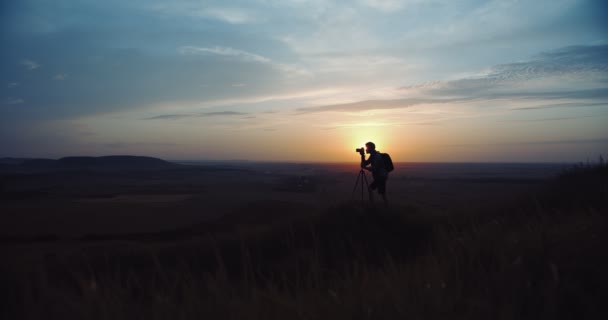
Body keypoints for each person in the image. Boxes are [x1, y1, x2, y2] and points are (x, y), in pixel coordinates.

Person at [360, 141, 388, 206]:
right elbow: (365, 163)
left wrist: (366, 168)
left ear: (371, 148)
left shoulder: (376, 156)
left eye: (367, 148)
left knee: (377, 191)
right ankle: (385, 206)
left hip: (381, 176)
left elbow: (374, 168)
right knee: (382, 193)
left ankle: (373, 205)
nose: (366, 149)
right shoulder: (373, 155)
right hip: (380, 176)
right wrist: (362, 156)